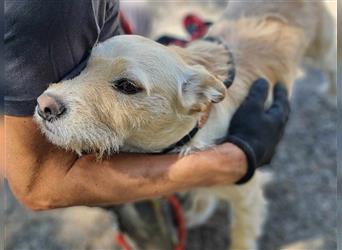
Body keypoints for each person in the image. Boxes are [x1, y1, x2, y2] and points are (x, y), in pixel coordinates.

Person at [3, 0, 290, 211]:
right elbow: (37, 186)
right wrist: (233, 161)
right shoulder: (47, 11)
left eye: (127, 85)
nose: (49, 97)